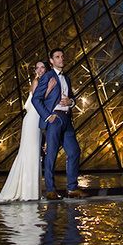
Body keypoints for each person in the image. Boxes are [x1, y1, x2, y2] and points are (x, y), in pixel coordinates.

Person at [32, 48, 88, 200]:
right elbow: (35, 99)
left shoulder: (67, 78)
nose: (61, 59)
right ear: (51, 61)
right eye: (57, 57)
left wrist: (72, 102)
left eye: (62, 56)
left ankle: (72, 188)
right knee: (51, 154)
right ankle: (50, 189)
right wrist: (48, 116)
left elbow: (71, 97)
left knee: (74, 151)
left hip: (66, 119)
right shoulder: (48, 76)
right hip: (55, 118)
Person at [0, 61, 48, 201]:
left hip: (35, 119)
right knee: (30, 153)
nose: (39, 70)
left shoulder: (43, 81)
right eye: (37, 67)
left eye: (42, 67)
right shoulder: (36, 81)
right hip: (32, 119)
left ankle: (30, 191)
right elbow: (39, 100)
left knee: (32, 153)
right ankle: (28, 192)